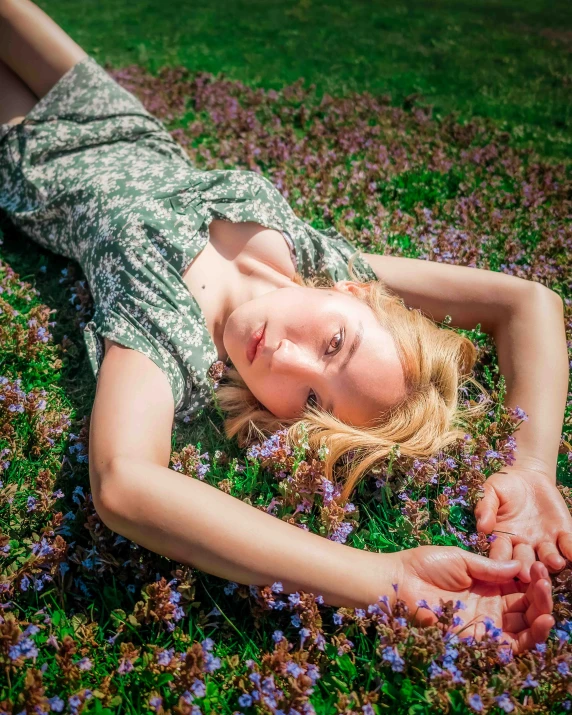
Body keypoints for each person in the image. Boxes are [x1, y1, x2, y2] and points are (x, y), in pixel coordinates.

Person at [0, 0, 568, 653]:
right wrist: (531, 468)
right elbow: (528, 302)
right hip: (118, 116)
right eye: (335, 342)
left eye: (313, 400)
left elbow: (125, 481)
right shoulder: (320, 260)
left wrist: (381, 574)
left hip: (26, 152)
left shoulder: (169, 330)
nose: (288, 359)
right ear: (355, 292)